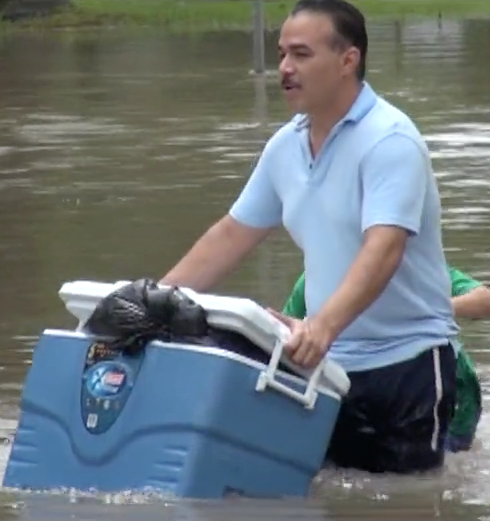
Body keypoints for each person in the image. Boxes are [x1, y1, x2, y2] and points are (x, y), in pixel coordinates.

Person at [160, 0, 458, 474]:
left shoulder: (390, 140)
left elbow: (383, 249)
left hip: (406, 366)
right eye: (281, 54)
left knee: (406, 502)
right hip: (321, 366)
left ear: (348, 60)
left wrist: (321, 327)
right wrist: (156, 301)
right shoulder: (285, 146)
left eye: (300, 54)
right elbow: (232, 233)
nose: (284, 68)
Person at [281, 266, 490, 453]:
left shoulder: (420, 270)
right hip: (357, 384)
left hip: (449, 386)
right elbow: (284, 331)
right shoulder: (317, 274)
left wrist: (425, 309)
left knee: (443, 460)